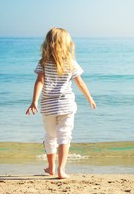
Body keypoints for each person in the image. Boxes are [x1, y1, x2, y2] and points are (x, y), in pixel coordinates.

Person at [26, 27, 96, 179]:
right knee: (65, 136)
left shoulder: (43, 62)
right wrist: (89, 98)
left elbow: (39, 82)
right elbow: (80, 82)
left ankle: (51, 168)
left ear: (48, 43)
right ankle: (61, 170)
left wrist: (34, 102)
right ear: (66, 44)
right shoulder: (71, 63)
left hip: (48, 107)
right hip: (66, 106)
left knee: (50, 137)